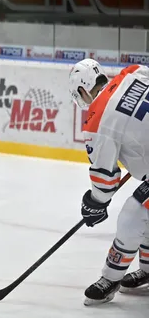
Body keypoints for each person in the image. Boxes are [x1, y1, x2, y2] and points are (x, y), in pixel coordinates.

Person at [68, 58, 149, 305]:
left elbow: (104, 182)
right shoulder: (133, 72)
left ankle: (110, 279)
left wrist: (94, 203)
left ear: (83, 89)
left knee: (131, 217)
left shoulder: (97, 120)